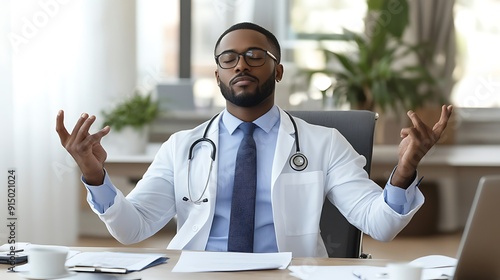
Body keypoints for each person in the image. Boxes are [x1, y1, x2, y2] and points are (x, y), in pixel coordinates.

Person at [56, 22, 453, 258]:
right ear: (217, 76)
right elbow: (132, 228)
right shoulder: (182, 145)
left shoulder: (324, 143)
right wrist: (95, 174)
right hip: (196, 273)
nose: (240, 64)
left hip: (290, 273)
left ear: (278, 72)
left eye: (255, 55)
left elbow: (379, 225)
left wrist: (404, 171)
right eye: (228, 58)